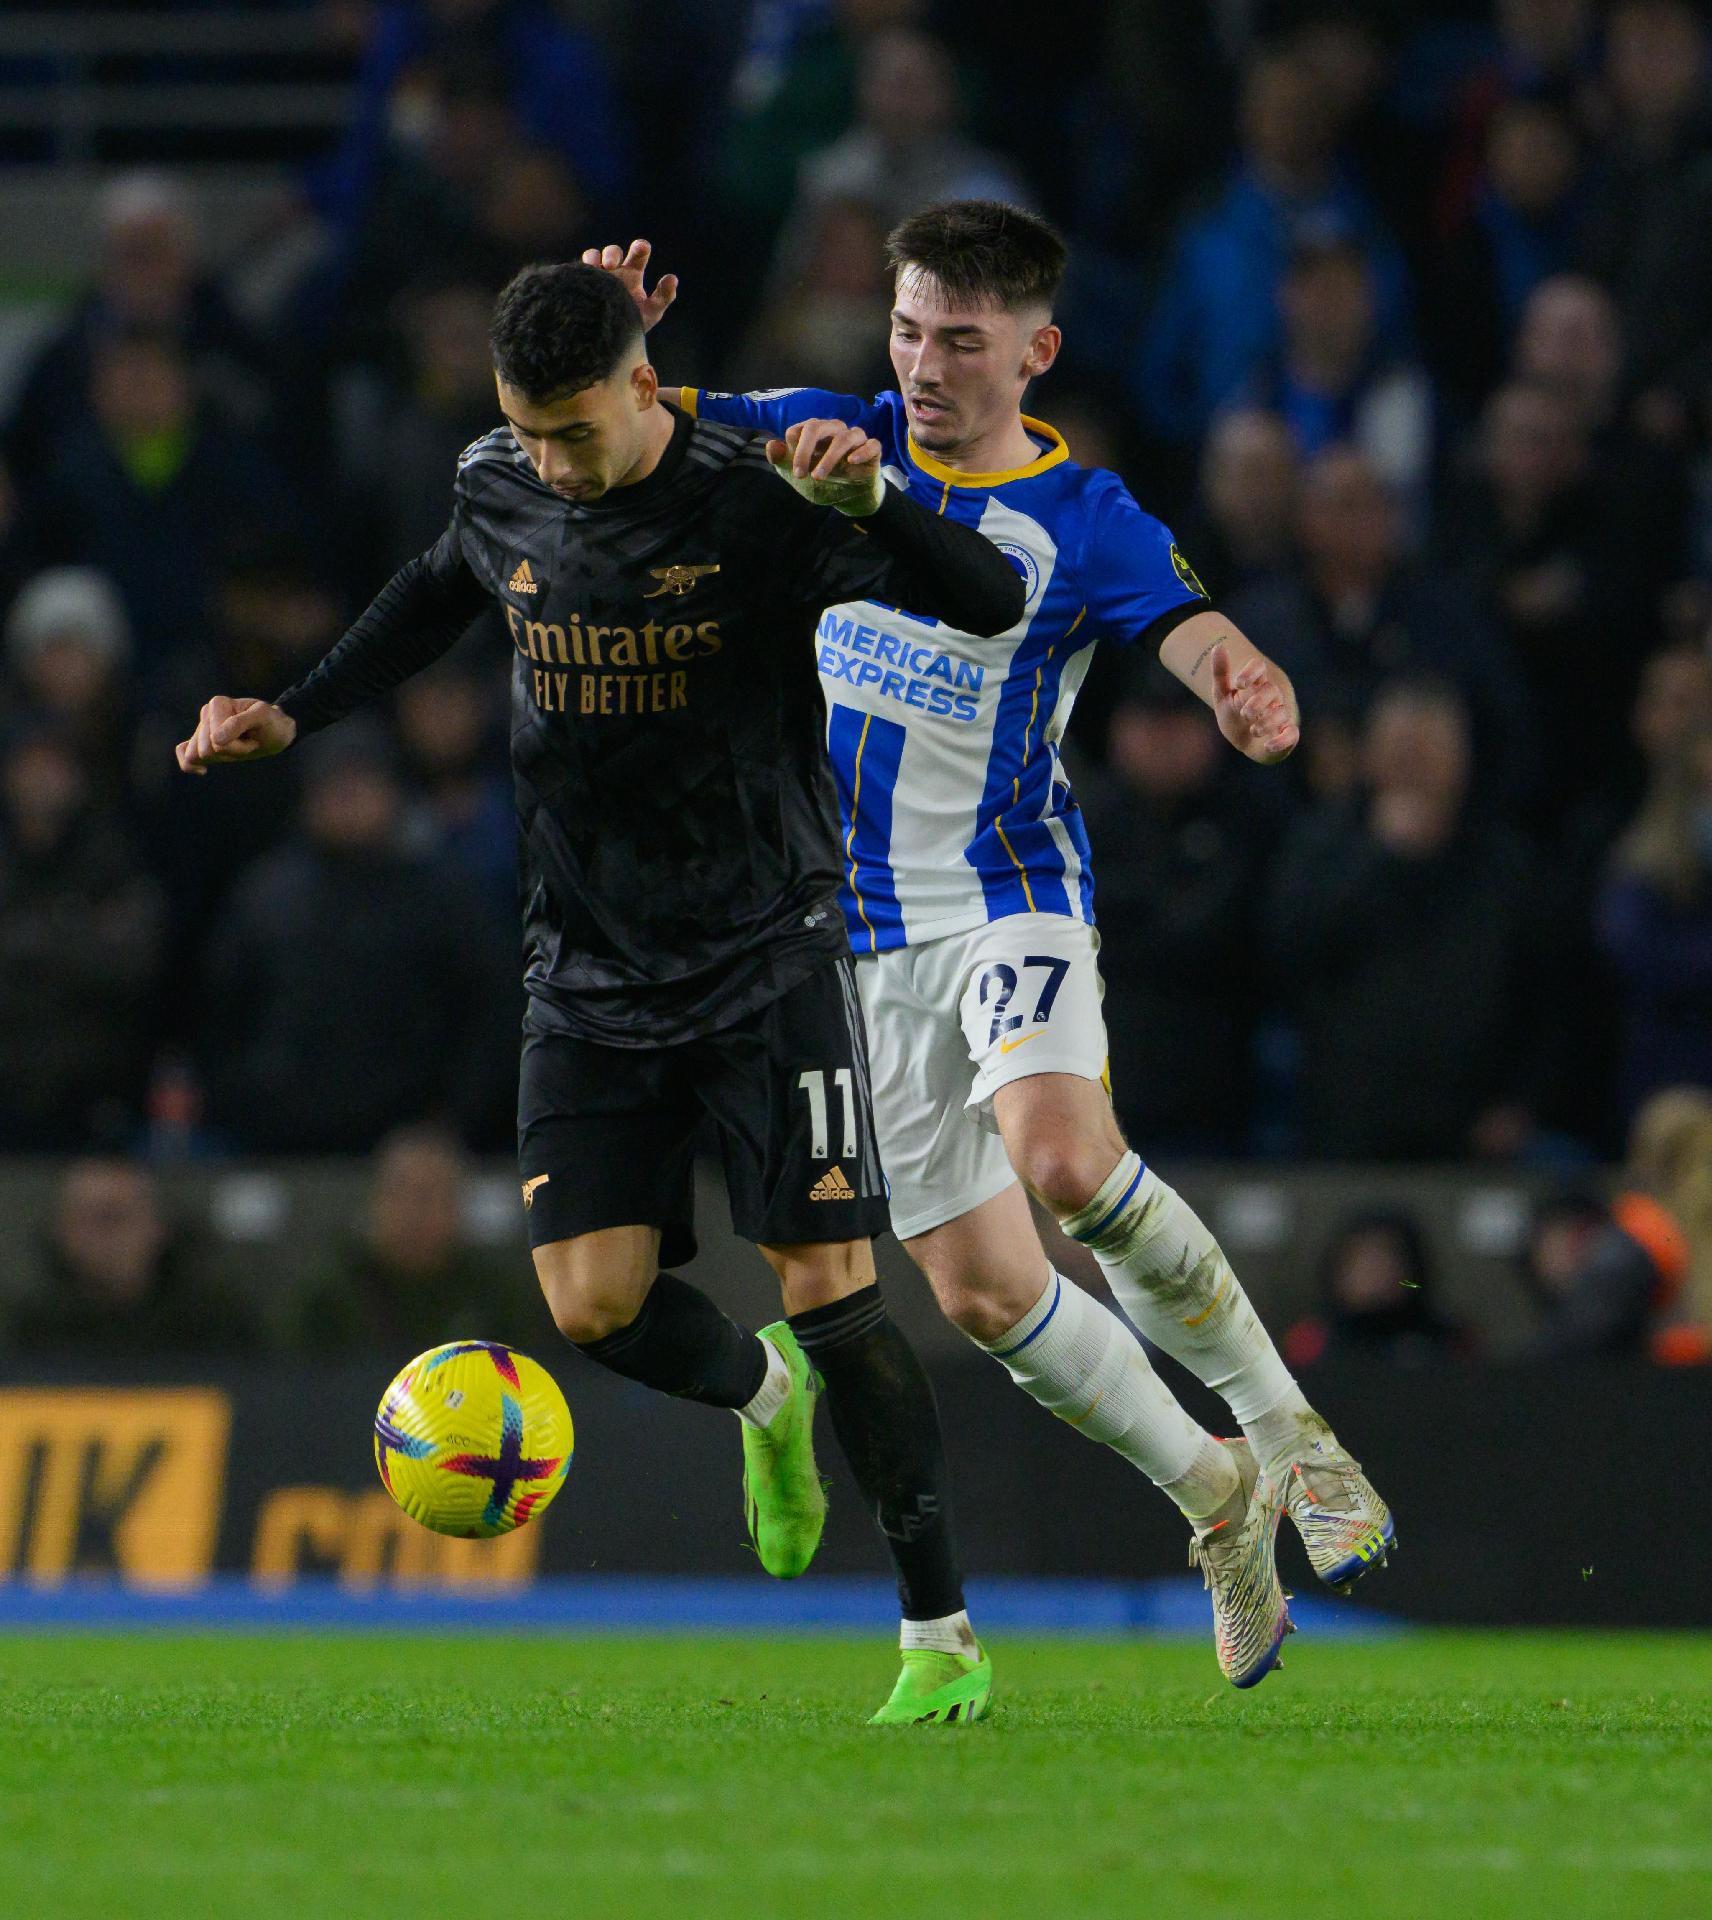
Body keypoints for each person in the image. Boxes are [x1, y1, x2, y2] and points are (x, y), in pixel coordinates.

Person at [175, 262, 1025, 1726]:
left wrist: (877, 504)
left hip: (766, 951)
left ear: (648, 384)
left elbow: (993, 600)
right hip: (581, 965)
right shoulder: (504, 478)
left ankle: (939, 1639)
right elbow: (439, 591)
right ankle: (762, 1404)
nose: (551, 466)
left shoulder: (758, 499)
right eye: (526, 432)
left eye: (573, 434)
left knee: (834, 1292)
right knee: (589, 1308)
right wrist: (293, 711)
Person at [595, 202, 1395, 1689]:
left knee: (1067, 1161)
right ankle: (1217, 1495)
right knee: (973, 1294)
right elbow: (632, 420)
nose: (922, 367)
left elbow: (1189, 626)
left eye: (959, 341)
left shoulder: (1081, 513)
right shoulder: (826, 436)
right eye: (907, 332)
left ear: (1035, 351)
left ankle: (1296, 1435)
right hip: (852, 940)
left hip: (1008, 892)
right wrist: (618, 342)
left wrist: (1246, 679)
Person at [297, 1125, 527, 1354]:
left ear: (456, 1207)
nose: (413, 1213)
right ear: (375, 1201)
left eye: (427, 1197)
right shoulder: (330, 1295)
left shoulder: (491, 1297)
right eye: (399, 1194)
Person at [8, 1156, 262, 1355]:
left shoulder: (213, 1324)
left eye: (114, 1218)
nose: (100, 1237)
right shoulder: (26, 1329)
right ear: (60, 1232)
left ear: (157, 1228)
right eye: (83, 1220)